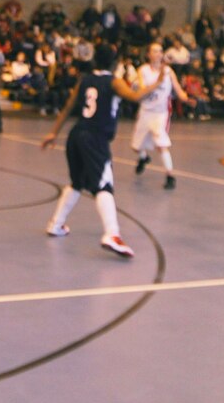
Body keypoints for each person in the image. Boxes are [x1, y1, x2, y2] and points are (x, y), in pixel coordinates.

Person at [41, 44, 164, 258]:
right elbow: (135, 97)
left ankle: (56, 224)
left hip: (76, 135)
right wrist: (158, 84)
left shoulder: (85, 80)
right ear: (114, 63)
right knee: (104, 185)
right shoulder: (113, 81)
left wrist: (53, 133)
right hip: (95, 139)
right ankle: (112, 234)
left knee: (77, 183)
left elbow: (69, 107)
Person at [131, 42, 190, 190]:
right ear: (148, 54)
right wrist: (158, 82)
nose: (158, 54)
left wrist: (185, 97)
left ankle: (170, 176)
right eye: (155, 51)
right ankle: (143, 158)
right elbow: (143, 90)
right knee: (136, 147)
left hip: (160, 114)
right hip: (145, 112)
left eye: (160, 51)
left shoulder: (169, 71)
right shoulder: (143, 70)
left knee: (161, 144)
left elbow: (178, 89)